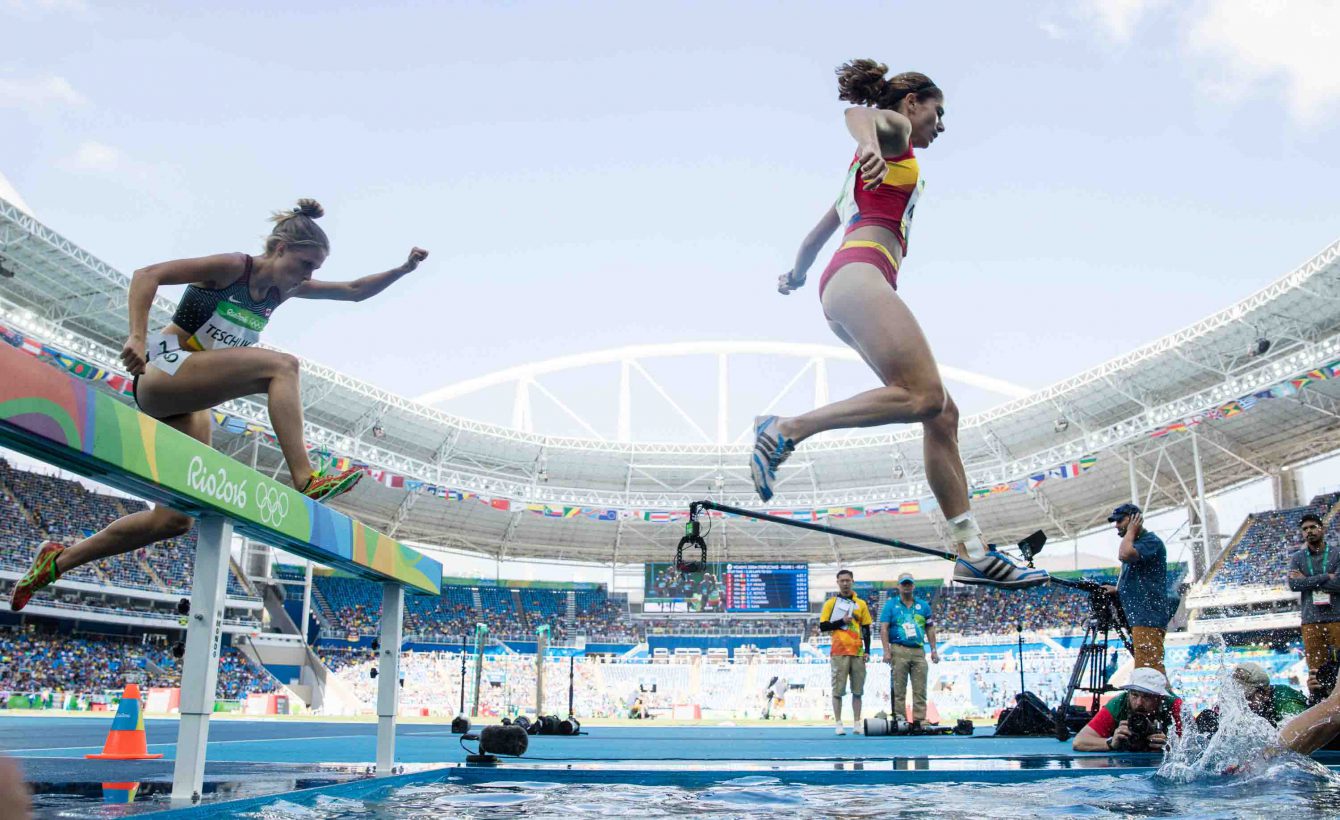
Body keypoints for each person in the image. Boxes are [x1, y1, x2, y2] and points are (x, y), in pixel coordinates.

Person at [10, 199, 429, 612]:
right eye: (305, 265)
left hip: (192, 399)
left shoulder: (285, 289)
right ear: (280, 249)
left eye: (315, 270)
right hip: (163, 372)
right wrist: (137, 335)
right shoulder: (233, 267)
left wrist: (403, 270)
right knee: (282, 367)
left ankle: (57, 560)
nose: (309, 275)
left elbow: (354, 291)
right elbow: (147, 274)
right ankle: (306, 478)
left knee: (175, 519)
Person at [748, 59, 1045, 591]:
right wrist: (869, 144)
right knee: (925, 397)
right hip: (862, 277)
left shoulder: (854, 181)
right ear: (912, 104)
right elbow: (858, 114)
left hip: (847, 283)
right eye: (939, 111)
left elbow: (815, 239)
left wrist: (793, 274)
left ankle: (971, 549)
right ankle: (786, 429)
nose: (942, 124)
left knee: (942, 412)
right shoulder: (894, 134)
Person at [1101, 504, 1168, 674]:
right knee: (1150, 669)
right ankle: (1166, 701)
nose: (1116, 525)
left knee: (1149, 672)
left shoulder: (1150, 541)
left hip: (1147, 617)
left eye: (1120, 520)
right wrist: (1118, 590)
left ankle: (1166, 701)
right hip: (1141, 617)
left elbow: (1124, 554)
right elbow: (1138, 577)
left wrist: (1131, 530)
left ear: (1134, 519)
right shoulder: (1137, 542)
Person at [1287, 512, 1340, 698]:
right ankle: (1319, 700)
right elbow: (1294, 584)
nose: (1309, 531)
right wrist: (1326, 577)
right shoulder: (1298, 558)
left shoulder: (1336, 553)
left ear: (1322, 529)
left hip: (1337, 618)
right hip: (1311, 621)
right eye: (1304, 529)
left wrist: (1307, 580)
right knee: (1316, 671)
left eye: (1312, 527)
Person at [1072, 667, 1184, 752]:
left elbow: (1197, 745)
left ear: (1160, 698)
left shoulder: (1175, 706)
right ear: (1128, 694)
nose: (1139, 702)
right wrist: (1110, 742)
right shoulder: (1119, 704)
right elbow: (1079, 741)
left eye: (1146, 697)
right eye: (1134, 695)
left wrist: (1171, 745)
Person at [879, 572, 938, 726]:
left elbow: (930, 628)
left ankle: (919, 719)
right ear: (898, 586)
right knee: (899, 687)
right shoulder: (891, 605)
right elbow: (884, 628)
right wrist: (886, 651)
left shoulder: (923, 606)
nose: (906, 587)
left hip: (918, 651)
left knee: (920, 688)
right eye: (903, 584)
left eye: (909, 584)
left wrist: (934, 649)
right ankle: (900, 718)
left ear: (913, 586)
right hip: (899, 649)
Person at [819, 569, 873, 735]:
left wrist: (867, 650)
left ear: (852, 581)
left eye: (847, 580)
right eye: (842, 580)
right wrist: (841, 621)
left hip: (857, 651)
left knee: (858, 690)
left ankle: (857, 723)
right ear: (837, 582)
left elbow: (866, 628)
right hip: (839, 651)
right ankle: (839, 723)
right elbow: (823, 626)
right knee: (838, 690)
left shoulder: (861, 604)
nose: (845, 583)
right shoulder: (830, 603)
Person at [1194, 663, 1309, 734]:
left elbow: (1301, 733)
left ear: (1264, 693)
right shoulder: (1250, 706)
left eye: (1246, 697)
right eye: (1238, 698)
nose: (1241, 703)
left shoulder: (1286, 702)